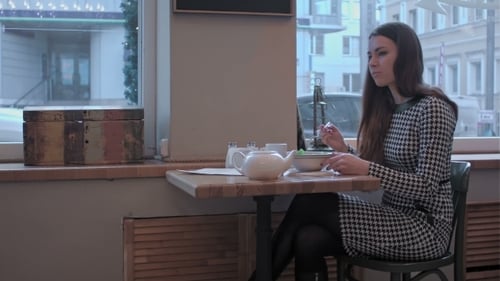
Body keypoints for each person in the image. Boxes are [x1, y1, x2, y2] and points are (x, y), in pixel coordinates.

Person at [248, 22, 458, 281]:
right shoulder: (390, 108)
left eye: (381, 53)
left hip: (423, 229)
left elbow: (427, 186)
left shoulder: (433, 109)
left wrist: (365, 167)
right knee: (307, 239)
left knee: (308, 201)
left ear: (406, 57)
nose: (372, 63)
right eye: (370, 55)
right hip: (393, 217)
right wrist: (344, 149)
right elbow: (385, 169)